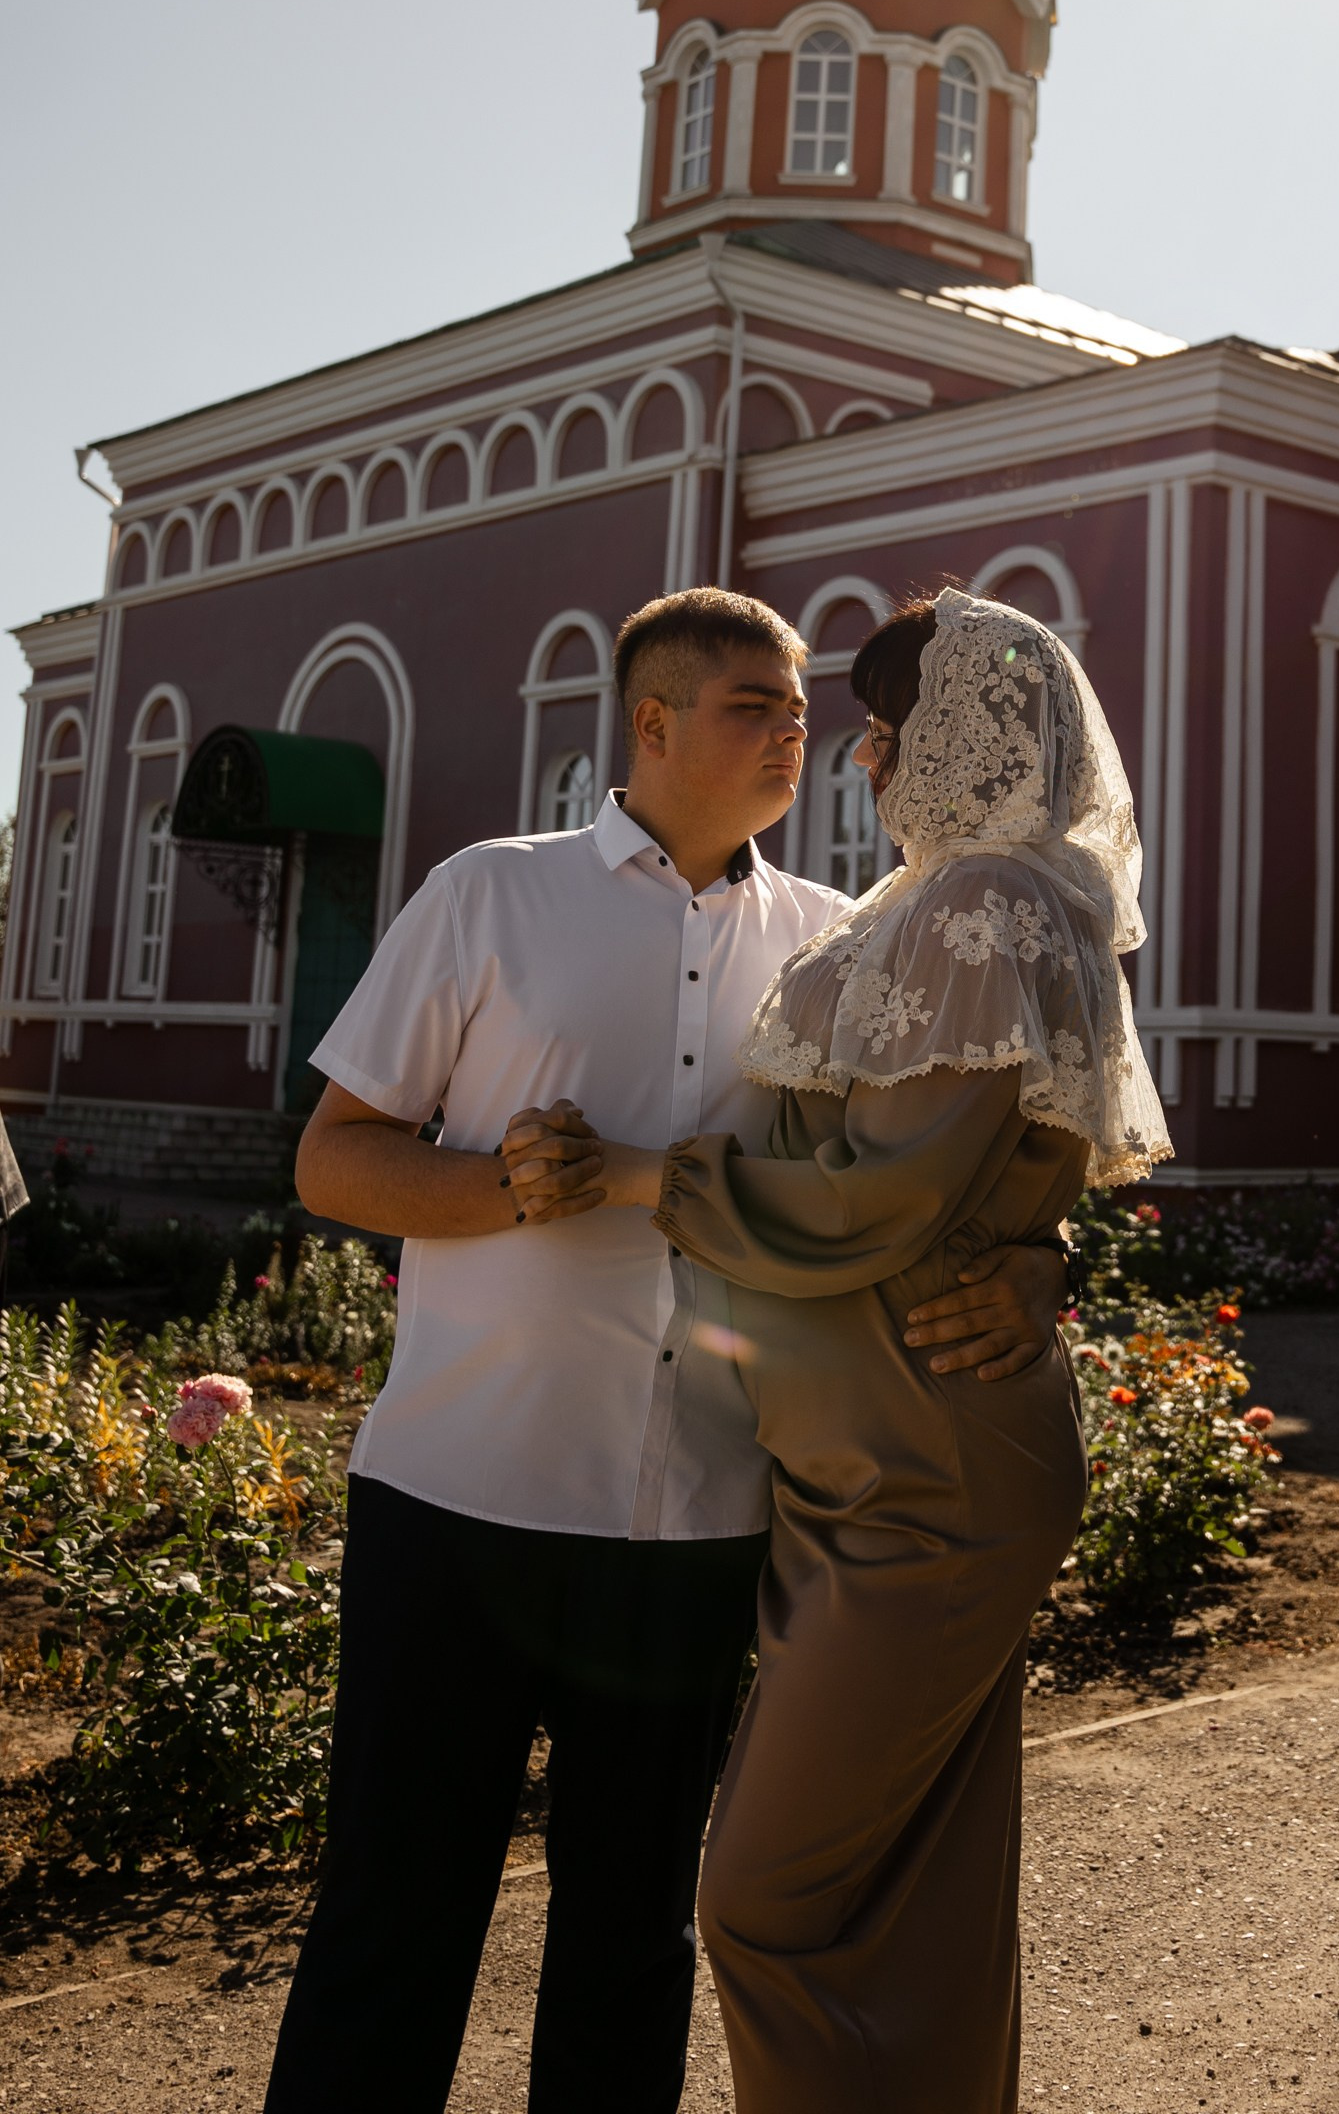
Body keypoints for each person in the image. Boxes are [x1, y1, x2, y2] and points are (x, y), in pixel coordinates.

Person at [262, 586, 1067, 2114]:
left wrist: (1039, 1262)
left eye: (801, 705)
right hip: (460, 1497)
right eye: (756, 704)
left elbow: (946, 1162)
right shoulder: (488, 896)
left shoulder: (840, 941)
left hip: (700, 1517)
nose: (798, 729)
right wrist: (498, 1183)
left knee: (631, 1943)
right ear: (652, 722)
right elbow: (333, 1160)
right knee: (393, 1923)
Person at [519, 585, 1171, 2114]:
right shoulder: (943, 903)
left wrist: (632, 1174)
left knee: (766, 1901)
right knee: (914, 1907)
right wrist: (1033, 1252)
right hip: (870, 1468)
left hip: (923, 1484)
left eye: (893, 731)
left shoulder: (981, 905)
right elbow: (985, 1173)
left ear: (972, 736)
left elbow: (883, 1201)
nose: (861, 766)